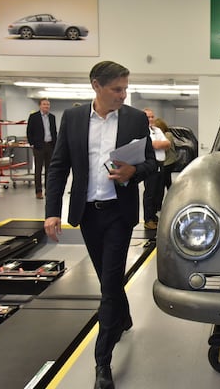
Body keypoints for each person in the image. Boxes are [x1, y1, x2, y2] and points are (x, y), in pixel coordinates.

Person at [44, 61, 156, 389]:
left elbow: (152, 163)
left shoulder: (134, 119)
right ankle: (123, 315)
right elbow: (59, 166)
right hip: (88, 214)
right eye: (117, 89)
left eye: (126, 88)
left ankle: (102, 364)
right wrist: (52, 211)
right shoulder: (74, 119)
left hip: (118, 214)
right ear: (97, 86)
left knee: (108, 285)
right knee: (109, 281)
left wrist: (133, 172)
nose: (123, 95)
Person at [142, 108, 170, 230]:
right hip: (150, 164)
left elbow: (167, 144)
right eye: (148, 117)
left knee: (159, 192)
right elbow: (153, 145)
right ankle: (148, 219)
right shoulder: (142, 131)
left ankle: (154, 216)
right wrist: (158, 144)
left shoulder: (157, 130)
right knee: (150, 192)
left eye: (152, 116)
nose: (151, 119)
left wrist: (158, 144)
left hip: (161, 163)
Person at [27, 98, 57, 199]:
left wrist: (55, 144)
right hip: (39, 146)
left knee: (50, 170)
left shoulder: (52, 117)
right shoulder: (33, 117)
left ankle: (48, 190)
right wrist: (32, 143)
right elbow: (29, 131)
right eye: (44, 104)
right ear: (40, 106)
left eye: (48, 105)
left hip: (50, 145)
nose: (46, 106)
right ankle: (38, 191)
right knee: (38, 169)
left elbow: (54, 132)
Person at [154, 118, 177, 192]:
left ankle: (170, 195)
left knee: (164, 182)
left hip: (168, 162)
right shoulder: (160, 136)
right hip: (164, 162)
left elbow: (165, 148)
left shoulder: (168, 135)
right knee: (167, 180)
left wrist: (155, 145)